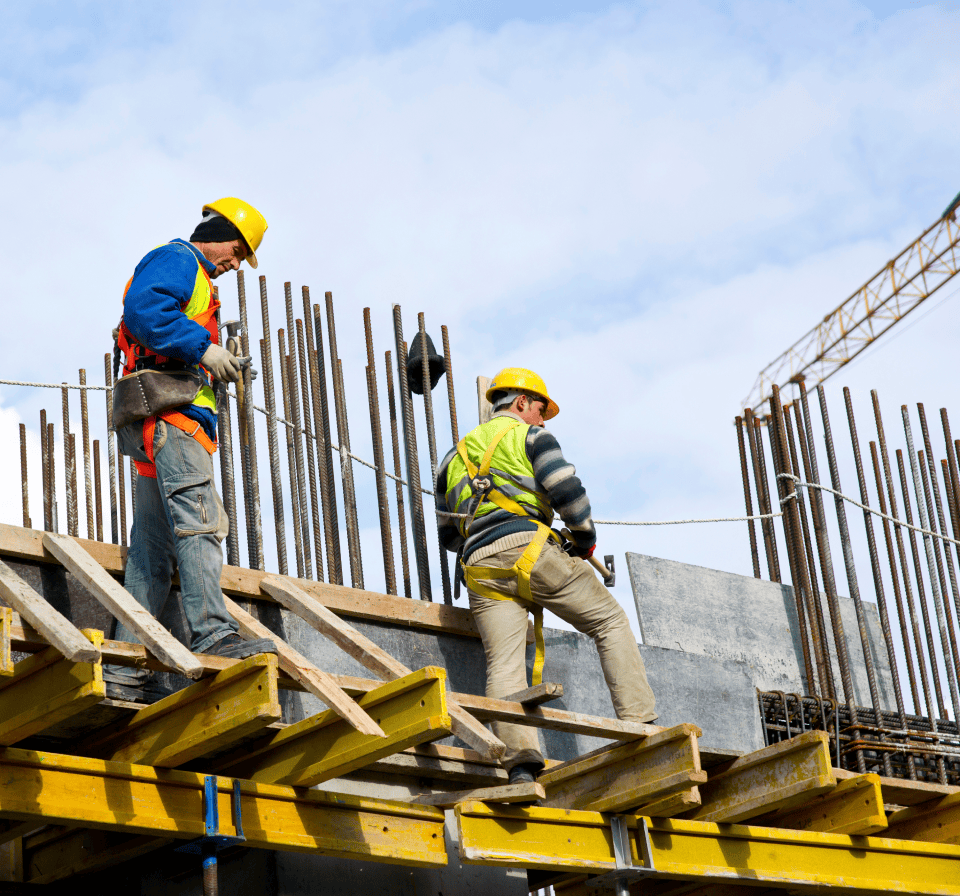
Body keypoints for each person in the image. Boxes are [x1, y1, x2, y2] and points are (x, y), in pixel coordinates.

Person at [435, 367, 657, 783]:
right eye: (540, 410)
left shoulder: (452, 457)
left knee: (503, 665)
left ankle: (520, 764)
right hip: (531, 550)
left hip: (480, 567)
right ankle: (641, 725)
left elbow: (448, 534)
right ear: (520, 403)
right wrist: (584, 539)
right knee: (609, 621)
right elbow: (567, 492)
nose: (542, 419)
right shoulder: (531, 437)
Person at [103, 198, 277, 703]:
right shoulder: (180, 259)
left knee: (152, 552)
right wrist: (204, 350)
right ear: (218, 232)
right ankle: (214, 633)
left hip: (159, 425)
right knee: (201, 525)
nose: (236, 263)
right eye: (238, 250)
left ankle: (126, 666)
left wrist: (211, 357)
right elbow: (145, 311)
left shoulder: (198, 280)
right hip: (173, 423)